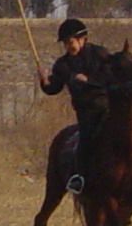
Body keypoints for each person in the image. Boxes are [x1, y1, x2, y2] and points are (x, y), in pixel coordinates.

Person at [38, 19, 112, 194]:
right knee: (85, 141)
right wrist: (44, 80)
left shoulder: (100, 55)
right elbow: (53, 88)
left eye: (70, 42)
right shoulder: (63, 65)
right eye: (65, 43)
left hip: (109, 108)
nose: (68, 46)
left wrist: (90, 81)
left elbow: (112, 78)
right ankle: (79, 177)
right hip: (86, 112)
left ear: (82, 38)